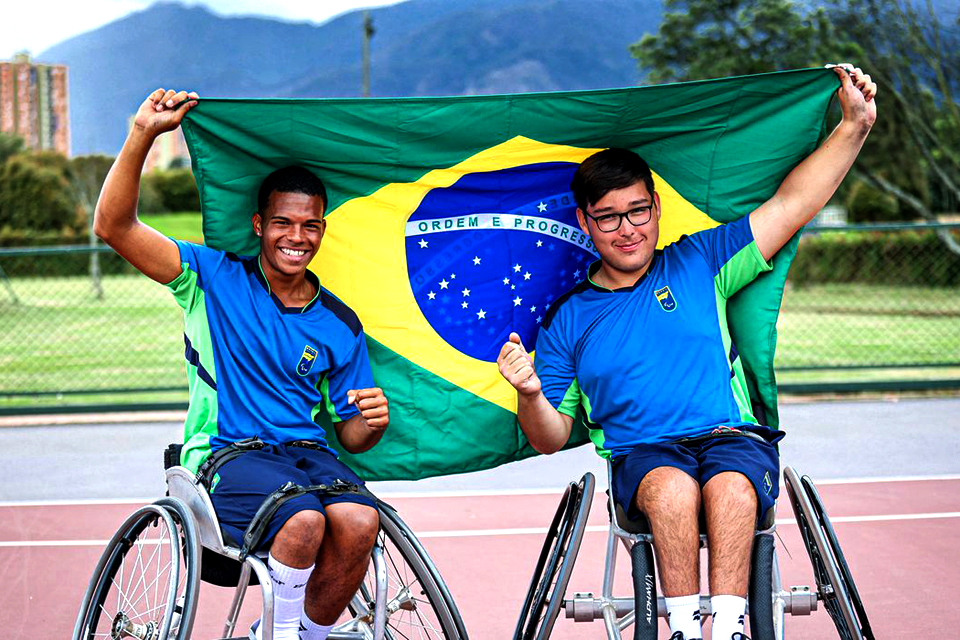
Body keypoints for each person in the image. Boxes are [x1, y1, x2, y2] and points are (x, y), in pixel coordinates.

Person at [497, 65, 877, 640]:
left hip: (729, 436)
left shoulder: (700, 261)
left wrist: (854, 125)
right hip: (643, 453)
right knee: (673, 489)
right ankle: (680, 628)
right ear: (585, 221)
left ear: (654, 206)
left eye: (637, 211)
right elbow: (549, 437)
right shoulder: (568, 318)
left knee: (729, 486)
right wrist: (527, 393)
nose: (627, 229)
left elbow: (792, 204)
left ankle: (725, 627)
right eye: (607, 217)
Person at [94, 88, 390, 640]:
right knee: (303, 519)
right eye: (284, 223)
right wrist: (142, 135)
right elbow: (114, 227)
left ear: (322, 230)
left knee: (359, 519)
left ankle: (300, 634)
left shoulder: (340, 323)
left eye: (310, 226)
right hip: (227, 453)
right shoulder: (210, 278)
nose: (296, 237)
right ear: (260, 225)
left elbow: (350, 439)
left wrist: (369, 422)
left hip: (306, 454)